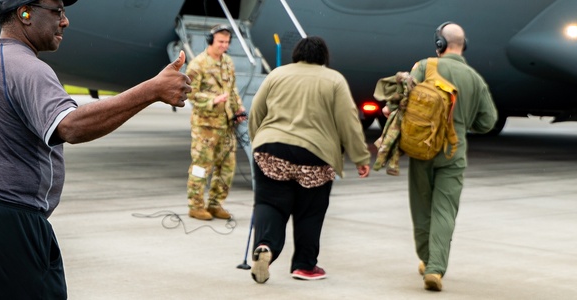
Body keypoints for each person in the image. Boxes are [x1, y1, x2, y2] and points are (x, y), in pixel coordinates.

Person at [0, 0, 191, 299]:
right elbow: (70, 126)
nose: (65, 21)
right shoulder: (29, 68)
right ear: (25, 14)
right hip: (5, 218)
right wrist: (152, 90)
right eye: (57, 11)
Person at [383, 22, 498, 292]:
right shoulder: (474, 78)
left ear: (439, 45)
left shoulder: (424, 66)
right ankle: (436, 268)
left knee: (422, 206)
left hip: (422, 147)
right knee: (445, 210)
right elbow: (488, 121)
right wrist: (462, 122)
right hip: (454, 152)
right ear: (463, 45)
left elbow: (398, 101)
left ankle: (426, 259)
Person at [247, 36, 371, 283]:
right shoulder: (334, 80)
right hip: (315, 155)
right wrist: (360, 157)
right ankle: (304, 265)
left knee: (270, 203)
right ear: (324, 57)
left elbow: (256, 112)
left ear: (296, 54)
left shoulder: (277, 74)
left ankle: (265, 247)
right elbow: (348, 121)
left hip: (271, 149)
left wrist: (258, 142)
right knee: (309, 212)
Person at [184, 23, 246, 220]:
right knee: (202, 166)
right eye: (220, 42)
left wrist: (239, 109)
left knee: (227, 167)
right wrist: (212, 100)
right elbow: (189, 93)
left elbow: (232, 89)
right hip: (205, 126)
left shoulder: (228, 62)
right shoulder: (198, 64)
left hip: (226, 124)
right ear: (211, 41)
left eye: (227, 42)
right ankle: (195, 205)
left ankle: (215, 204)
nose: (224, 46)